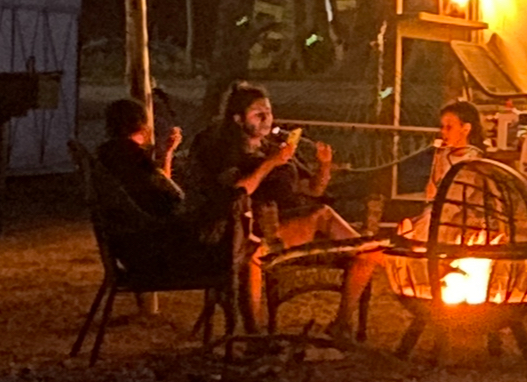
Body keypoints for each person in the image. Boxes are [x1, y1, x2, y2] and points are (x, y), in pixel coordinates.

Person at [187, 81, 382, 343]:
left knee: (369, 252)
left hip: (294, 223)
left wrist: (324, 166)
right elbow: (237, 191)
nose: (267, 119)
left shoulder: (274, 147)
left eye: (268, 112)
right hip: (254, 228)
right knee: (315, 218)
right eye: (258, 114)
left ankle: (342, 322)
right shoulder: (229, 153)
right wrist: (270, 164)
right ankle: (255, 335)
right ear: (238, 119)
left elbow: (313, 189)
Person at [95, 98, 257, 316]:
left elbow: (161, 192)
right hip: (160, 253)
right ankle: (240, 307)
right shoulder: (131, 160)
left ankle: (233, 290)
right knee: (235, 204)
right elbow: (172, 199)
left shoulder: (115, 158)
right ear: (142, 124)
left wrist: (168, 153)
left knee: (231, 213)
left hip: (138, 247)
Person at [397, 100, 486, 241]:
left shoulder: (475, 161)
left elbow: (464, 199)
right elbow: (431, 193)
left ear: (466, 129)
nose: (443, 132)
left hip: (461, 219)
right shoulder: (442, 155)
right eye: (442, 127)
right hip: (437, 214)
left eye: (449, 127)